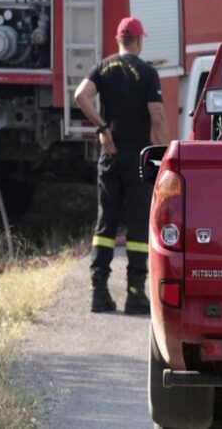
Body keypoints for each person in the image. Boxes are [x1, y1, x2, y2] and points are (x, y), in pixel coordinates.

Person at [74, 17, 170, 314]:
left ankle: (98, 292)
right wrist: (167, 156)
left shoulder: (103, 67)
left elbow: (80, 95)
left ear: (118, 40)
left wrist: (102, 128)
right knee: (138, 224)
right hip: (138, 158)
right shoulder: (147, 73)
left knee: (106, 223)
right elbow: (157, 117)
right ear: (139, 41)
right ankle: (135, 294)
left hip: (110, 156)